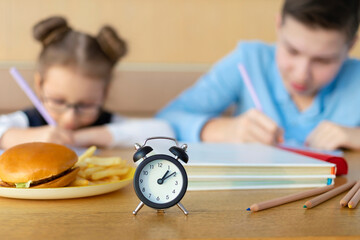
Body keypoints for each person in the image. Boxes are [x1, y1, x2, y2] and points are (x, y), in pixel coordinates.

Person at [157, 0, 360, 151]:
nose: (301, 74)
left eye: (323, 61)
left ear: (350, 45)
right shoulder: (248, 61)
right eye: (292, 51)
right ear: (279, 26)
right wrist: (222, 130)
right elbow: (166, 120)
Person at [0, 16, 174, 149]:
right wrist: (25, 137)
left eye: (86, 105)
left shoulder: (106, 121)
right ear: (39, 85)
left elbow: (163, 131)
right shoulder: (29, 120)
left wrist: (80, 138)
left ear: (104, 93)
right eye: (58, 102)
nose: (70, 118)